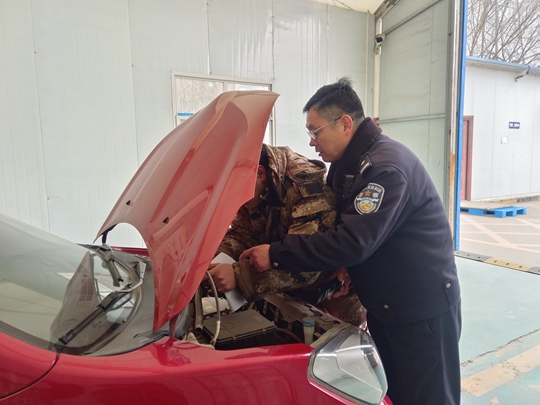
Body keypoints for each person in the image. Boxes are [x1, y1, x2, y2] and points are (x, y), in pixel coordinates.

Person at [240, 78, 461, 405]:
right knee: (393, 395)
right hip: (385, 308)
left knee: (428, 398)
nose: (312, 142)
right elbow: (359, 233)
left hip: (420, 312)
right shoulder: (347, 168)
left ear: (345, 124)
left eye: (315, 131)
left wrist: (275, 254)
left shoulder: (385, 169)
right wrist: (348, 269)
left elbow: (352, 242)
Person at [208, 143, 366, 326]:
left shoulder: (307, 186)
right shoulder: (252, 184)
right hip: (289, 289)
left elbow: (307, 260)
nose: (234, 200)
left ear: (260, 174)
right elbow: (242, 233)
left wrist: (239, 276)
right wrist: (214, 262)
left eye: (234, 192)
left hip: (334, 292)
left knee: (337, 341)